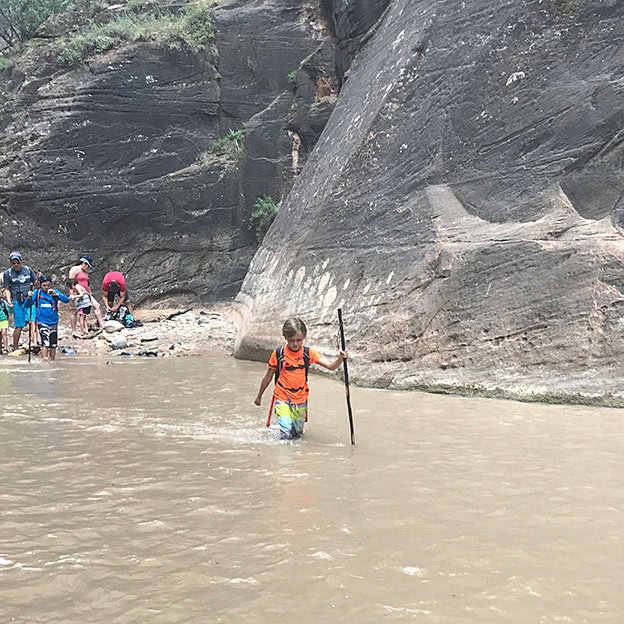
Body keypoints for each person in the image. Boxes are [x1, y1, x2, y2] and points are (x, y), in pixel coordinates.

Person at [254, 318, 348, 440]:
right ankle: (285, 457)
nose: (295, 344)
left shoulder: (308, 354)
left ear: (304, 336)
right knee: (286, 434)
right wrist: (259, 396)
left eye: (299, 340)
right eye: (291, 340)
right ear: (285, 337)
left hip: (300, 398)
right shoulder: (278, 354)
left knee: (297, 434)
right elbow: (268, 377)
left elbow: (331, 366)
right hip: (282, 396)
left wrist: (340, 359)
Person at [26, 275, 70, 362]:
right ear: (40, 285)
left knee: (53, 344)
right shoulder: (37, 293)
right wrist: (29, 297)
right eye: (44, 285)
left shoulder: (54, 292)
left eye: (48, 285)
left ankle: (52, 361)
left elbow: (67, 300)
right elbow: (27, 305)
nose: (46, 287)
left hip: (54, 321)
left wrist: (57, 295)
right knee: (45, 342)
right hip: (42, 321)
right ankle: (44, 361)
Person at [3, 251, 38, 351]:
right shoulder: (7, 274)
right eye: (13, 263)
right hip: (17, 301)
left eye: (17, 262)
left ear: (20, 261)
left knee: (32, 321)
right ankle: (15, 346)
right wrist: (9, 301)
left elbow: (35, 282)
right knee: (19, 325)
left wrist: (35, 287)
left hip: (29, 300)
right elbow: (6, 288)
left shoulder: (28, 270)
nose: (16, 265)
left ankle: (34, 344)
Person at [68, 255, 104, 331]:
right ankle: (74, 331)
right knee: (74, 311)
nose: (88, 268)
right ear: (84, 263)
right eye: (88, 266)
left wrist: (89, 294)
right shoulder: (75, 269)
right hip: (77, 293)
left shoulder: (85, 272)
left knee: (97, 305)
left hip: (86, 293)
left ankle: (102, 325)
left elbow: (87, 284)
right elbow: (70, 282)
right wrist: (72, 294)